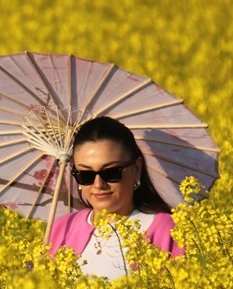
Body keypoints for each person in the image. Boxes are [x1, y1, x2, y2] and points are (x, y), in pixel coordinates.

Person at [47, 116, 184, 279]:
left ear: (137, 168)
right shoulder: (62, 228)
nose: (98, 184)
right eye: (85, 174)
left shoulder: (166, 229)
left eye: (111, 173)